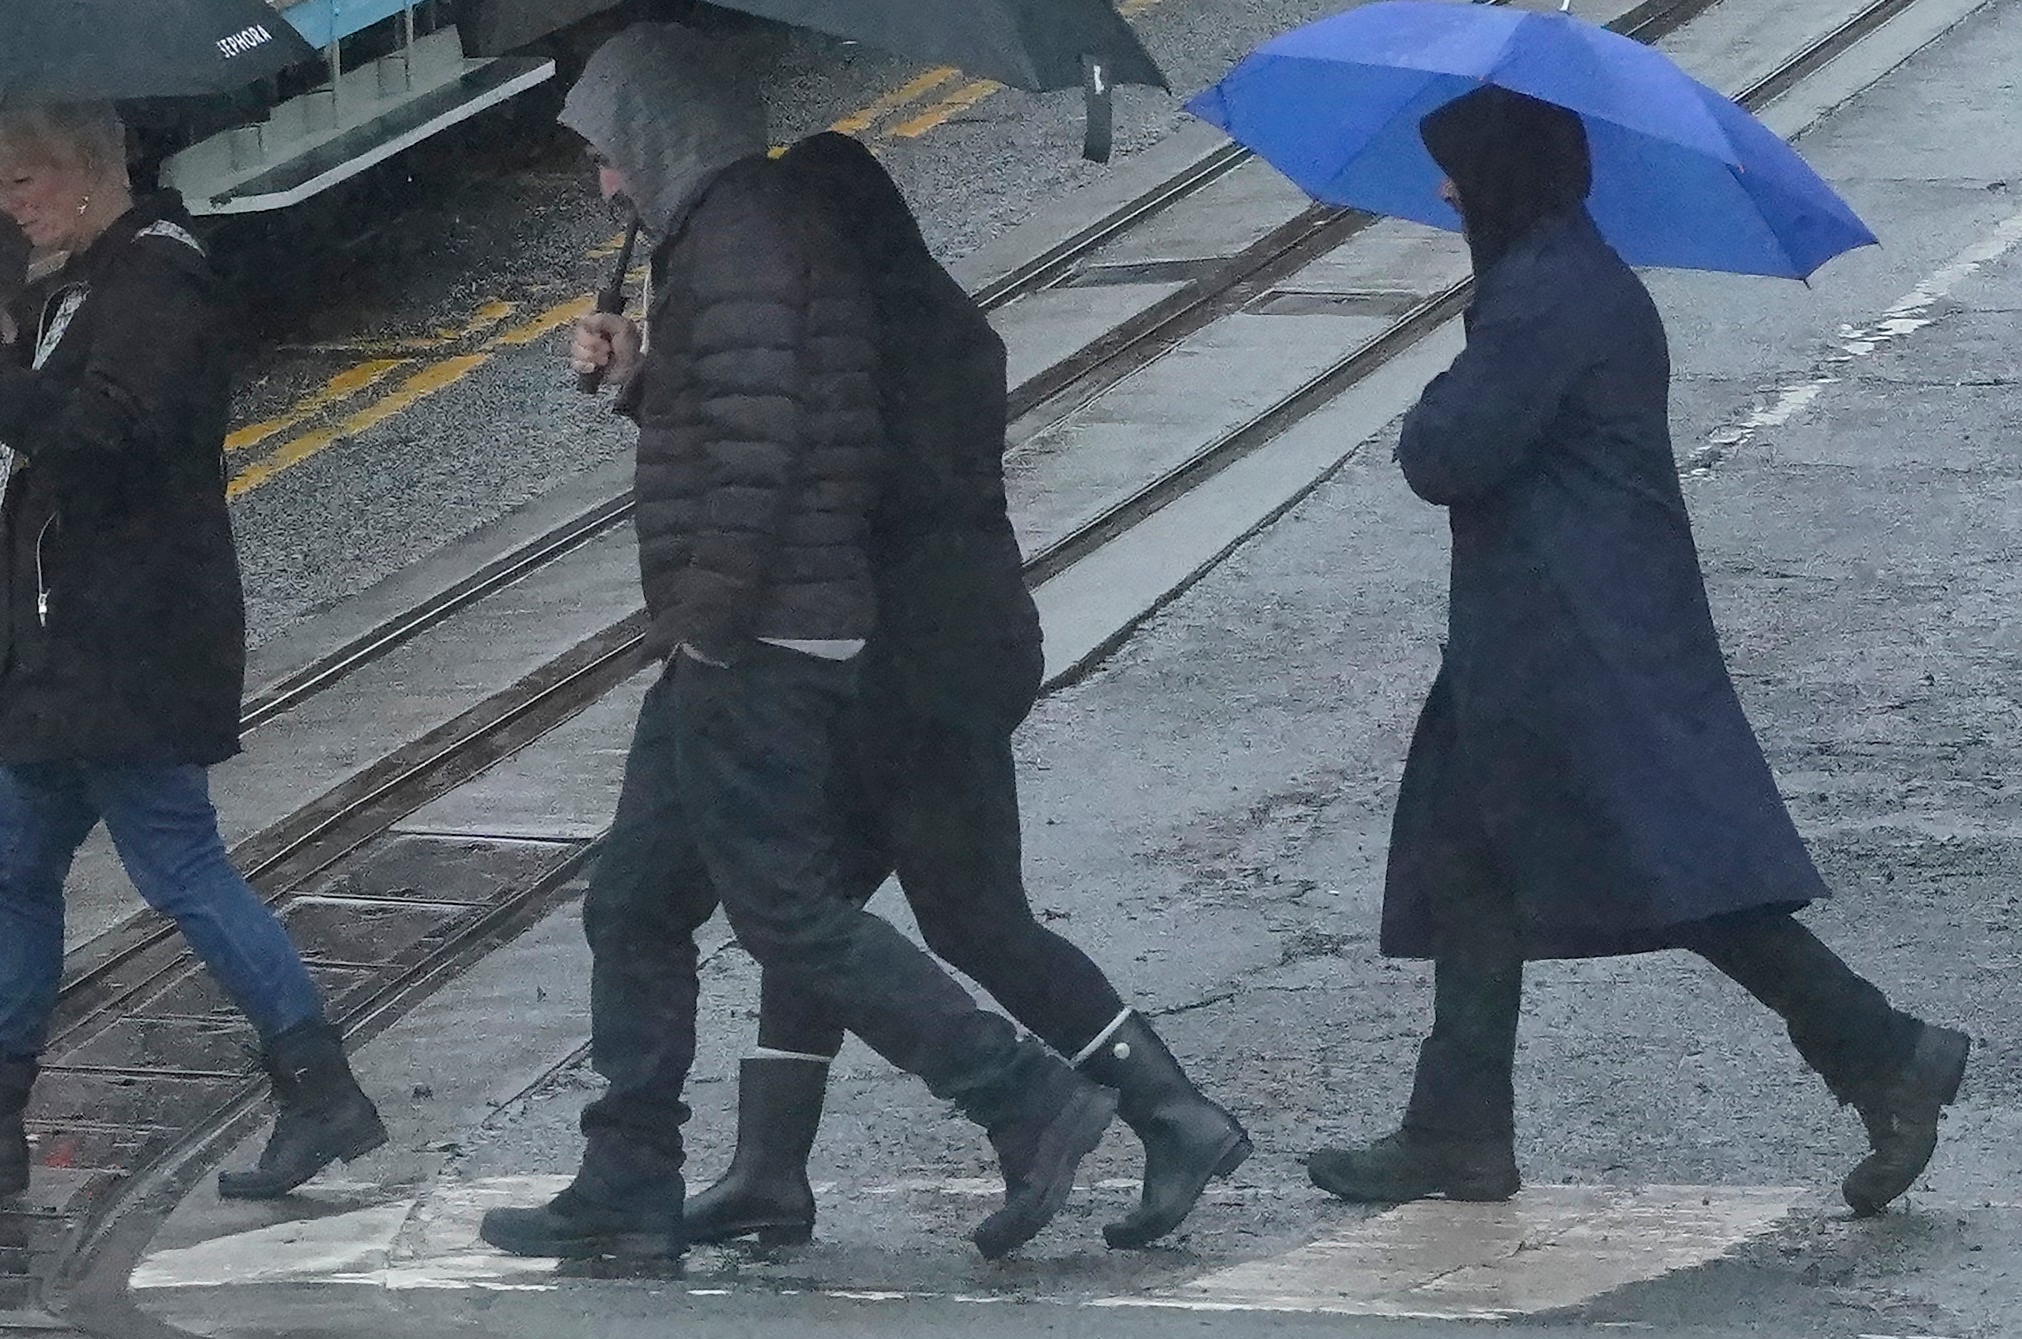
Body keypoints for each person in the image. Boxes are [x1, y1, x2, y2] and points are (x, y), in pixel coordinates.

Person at [484, 15, 1119, 1269]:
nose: (604, 180)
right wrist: (635, 383)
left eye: (612, 150)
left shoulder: (741, 243)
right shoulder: (724, 241)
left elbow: (768, 459)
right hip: (744, 629)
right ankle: (627, 1174)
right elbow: (749, 416)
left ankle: (1025, 1093)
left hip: (762, 636)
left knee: (788, 912)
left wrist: (712, 623)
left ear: (662, 133)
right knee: (634, 901)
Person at [1310, 84, 1972, 1213]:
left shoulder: (1545, 296)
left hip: (1576, 638)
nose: (1442, 186)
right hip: (1544, 631)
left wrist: (1436, 395)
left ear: (1504, 173)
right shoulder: (1555, 277)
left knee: (1683, 877)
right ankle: (1456, 1128)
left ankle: (1885, 1049)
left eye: (1458, 164)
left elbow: (1444, 452)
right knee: (1470, 865)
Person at [674, 132, 1246, 1254]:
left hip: (914, 667)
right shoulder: (943, 321)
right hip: (955, 648)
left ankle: (1174, 1113)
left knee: (943, 914)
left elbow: (847, 489)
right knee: (820, 908)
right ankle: (768, 1168)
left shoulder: (873, 346)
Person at [0, 105, 388, 1201]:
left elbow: (114, 436)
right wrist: (8, 363)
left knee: (179, 862)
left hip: (124, 637)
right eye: (4, 183)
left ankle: (319, 1082)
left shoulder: (158, 280)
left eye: (23, 180)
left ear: (88, 172)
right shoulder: (86, 281)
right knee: (15, 861)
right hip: (70, 640)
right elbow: (65, 419)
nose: (10, 202)